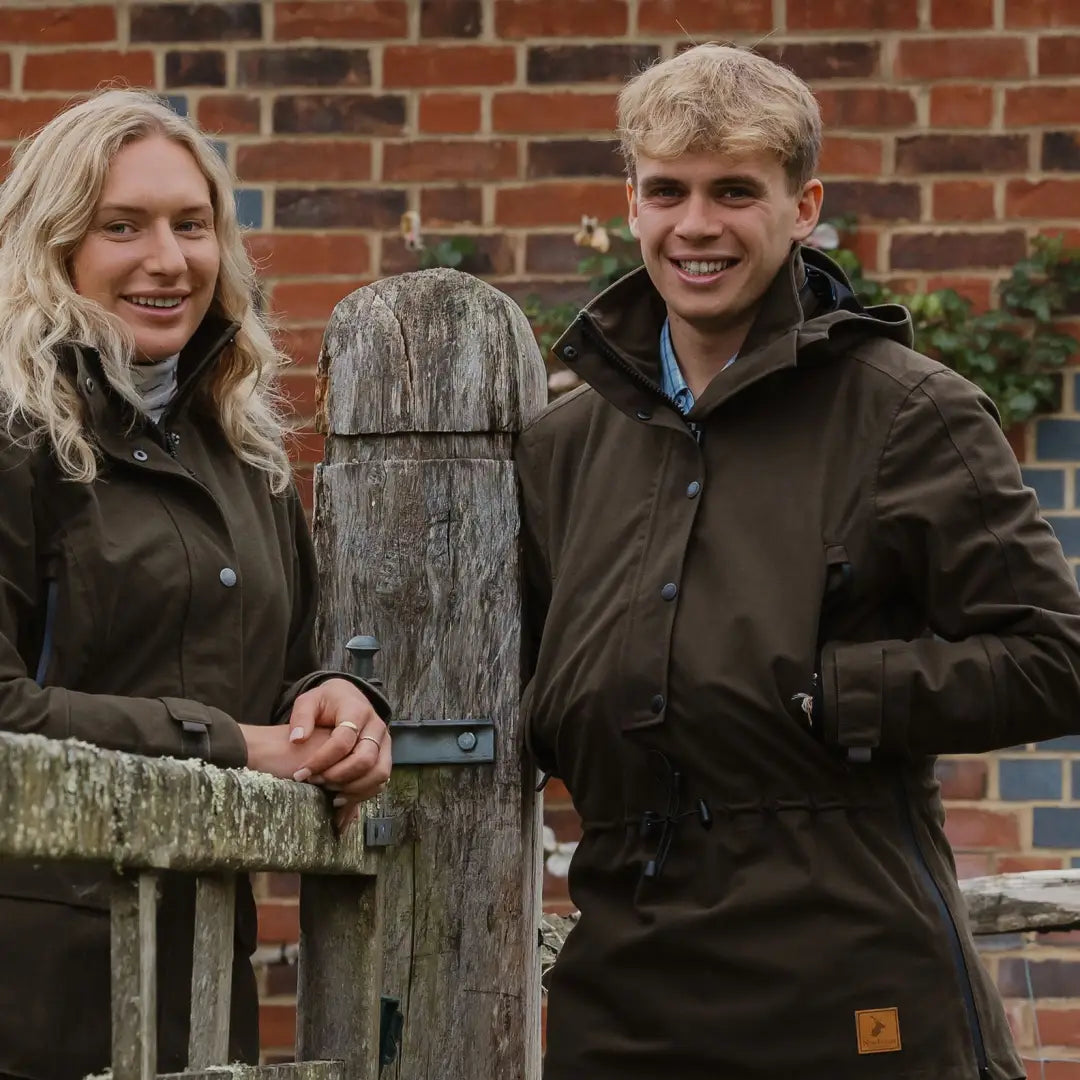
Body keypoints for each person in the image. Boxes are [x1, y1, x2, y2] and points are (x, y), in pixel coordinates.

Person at [516, 43, 1080, 1080]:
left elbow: (1056, 657)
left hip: (850, 971)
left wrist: (834, 695)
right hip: (624, 981)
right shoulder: (562, 448)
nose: (697, 226)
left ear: (802, 205)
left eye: (736, 191)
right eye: (668, 191)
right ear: (629, 203)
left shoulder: (910, 412)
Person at [0, 89, 392, 1079]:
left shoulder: (243, 449)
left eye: (192, 223)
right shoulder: (16, 437)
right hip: (30, 980)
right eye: (120, 226)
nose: (167, 260)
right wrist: (231, 746)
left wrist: (330, 707)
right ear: (53, 246)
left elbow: (284, 670)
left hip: (199, 966)